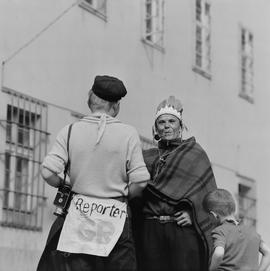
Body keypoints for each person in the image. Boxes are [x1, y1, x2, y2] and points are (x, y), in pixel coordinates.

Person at [37, 75, 150, 271]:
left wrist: (68, 182)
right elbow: (140, 181)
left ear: (90, 101)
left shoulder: (70, 130)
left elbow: (47, 172)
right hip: (115, 216)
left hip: (79, 216)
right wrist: (124, 194)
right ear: (115, 106)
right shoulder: (128, 133)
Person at [138, 96, 217, 271]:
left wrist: (193, 214)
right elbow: (136, 190)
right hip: (151, 228)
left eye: (172, 121)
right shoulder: (146, 156)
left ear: (180, 126)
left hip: (181, 230)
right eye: (162, 122)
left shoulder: (194, 154)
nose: (167, 126)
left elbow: (209, 196)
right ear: (155, 128)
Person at [203, 188, 270, 271]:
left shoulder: (220, 231)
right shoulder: (251, 231)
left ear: (213, 215)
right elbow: (267, 252)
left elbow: (219, 253)